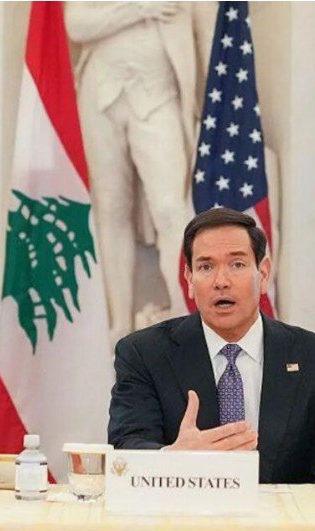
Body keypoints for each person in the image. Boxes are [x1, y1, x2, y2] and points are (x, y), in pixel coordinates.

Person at [108, 208, 315, 483]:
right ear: (189, 280)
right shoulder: (144, 354)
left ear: (263, 274)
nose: (221, 282)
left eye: (236, 264)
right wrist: (174, 458)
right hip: (184, 510)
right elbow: (126, 450)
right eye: (206, 267)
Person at [65, 1, 214, 340]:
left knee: (171, 209)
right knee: (110, 207)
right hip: (100, 95)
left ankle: (183, 309)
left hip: (159, 94)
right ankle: (117, 323)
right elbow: (77, 25)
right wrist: (140, 8)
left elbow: (209, 34)